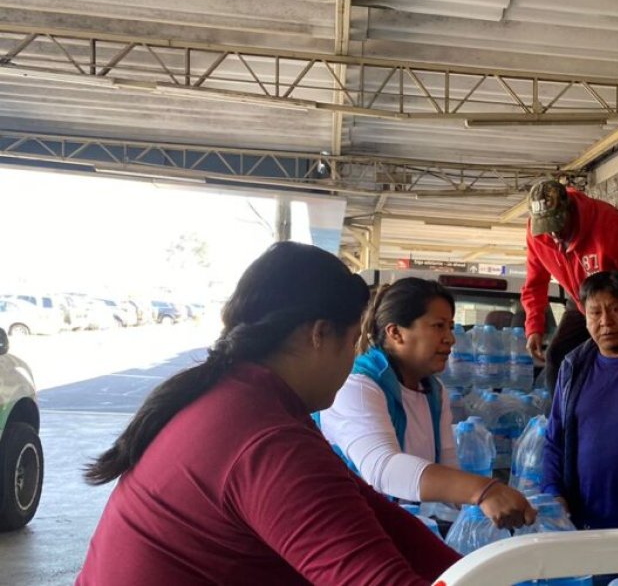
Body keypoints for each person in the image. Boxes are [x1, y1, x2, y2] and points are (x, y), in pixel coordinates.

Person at [77, 242, 460, 586]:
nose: (353, 357)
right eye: (352, 340)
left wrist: (485, 568)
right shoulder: (268, 439)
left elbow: (379, 518)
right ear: (319, 334)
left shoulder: (237, 399)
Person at [317, 277, 535, 529]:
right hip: (348, 527)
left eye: (450, 327)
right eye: (438, 326)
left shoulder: (433, 390)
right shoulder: (359, 386)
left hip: (402, 525)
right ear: (395, 332)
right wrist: (483, 491)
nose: (450, 339)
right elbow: (383, 470)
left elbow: (447, 467)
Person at [542, 270, 618, 531]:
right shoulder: (572, 367)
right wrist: (553, 494)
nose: (605, 321)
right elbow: (555, 437)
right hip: (582, 522)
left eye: (615, 309)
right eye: (595, 313)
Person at [521, 179, 618, 393]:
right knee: (558, 356)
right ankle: (561, 419)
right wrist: (534, 327)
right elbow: (535, 281)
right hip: (581, 301)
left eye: (558, 224)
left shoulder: (606, 221)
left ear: (569, 209)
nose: (554, 234)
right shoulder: (537, 234)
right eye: (547, 228)